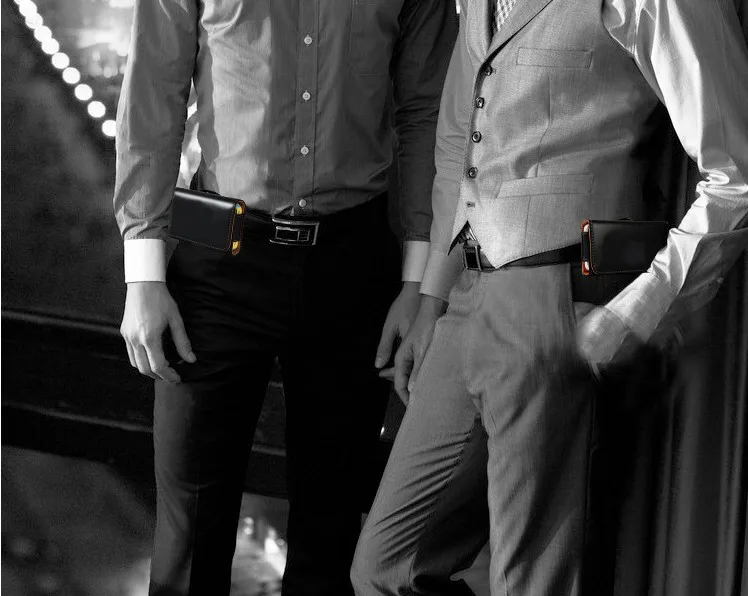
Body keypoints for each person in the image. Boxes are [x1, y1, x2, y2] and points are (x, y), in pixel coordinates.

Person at [351, 0, 748, 594]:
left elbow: (738, 172)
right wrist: (432, 298)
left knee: (531, 581)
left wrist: (641, 311)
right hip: (467, 287)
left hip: (556, 294)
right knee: (385, 569)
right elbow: (462, 138)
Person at [113, 1, 458, 594]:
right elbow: (153, 89)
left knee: (330, 532)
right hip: (215, 251)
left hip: (354, 264)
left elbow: (427, 112)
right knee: (189, 537)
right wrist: (143, 278)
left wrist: (417, 284)